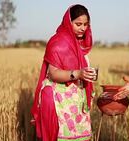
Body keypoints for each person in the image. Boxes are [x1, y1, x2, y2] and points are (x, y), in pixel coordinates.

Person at [31, 4, 97, 141]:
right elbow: (53, 73)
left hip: (76, 99)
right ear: (69, 21)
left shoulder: (80, 44)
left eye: (86, 24)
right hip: (58, 100)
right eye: (78, 24)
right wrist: (78, 74)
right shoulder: (57, 42)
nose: (83, 28)